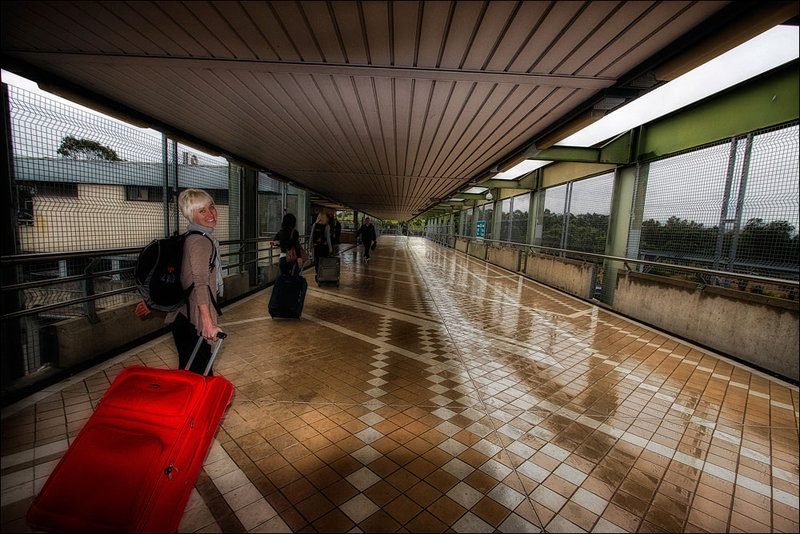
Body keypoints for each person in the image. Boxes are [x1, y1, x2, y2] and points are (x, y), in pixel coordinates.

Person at [135, 188, 224, 375]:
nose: (210, 214)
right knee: (200, 374)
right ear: (191, 215)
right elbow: (200, 283)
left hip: (182, 317)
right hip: (194, 319)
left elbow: (180, 277)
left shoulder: (189, 238)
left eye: (211, 207)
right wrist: (207, 323)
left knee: (190, 371)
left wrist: (153, 302)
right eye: (202, 211)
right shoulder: (201, 242)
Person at [274, 213, 306, 277]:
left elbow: (275, 242)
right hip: (293, 258)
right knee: (294, 278)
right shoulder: (294, 232)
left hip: (282, 258)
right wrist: (299, 257)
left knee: (284, 278)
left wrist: (283, 244)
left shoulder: (280, 232)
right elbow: (296, 246)